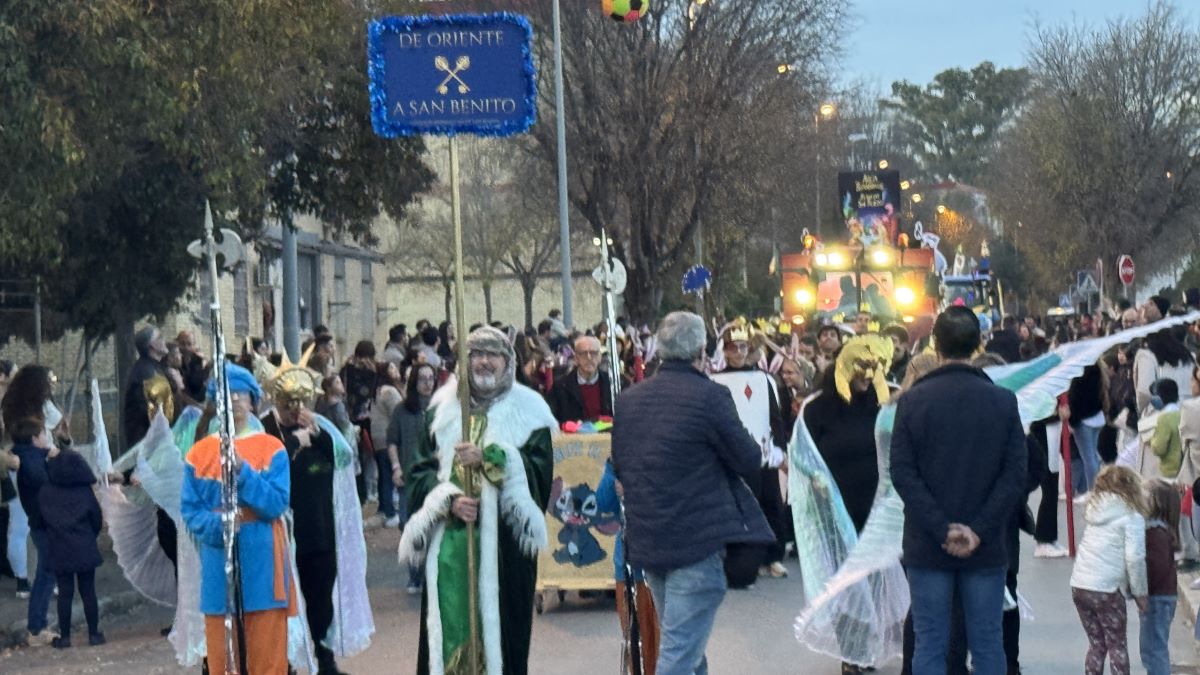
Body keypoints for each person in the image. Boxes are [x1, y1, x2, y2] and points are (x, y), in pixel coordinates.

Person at [612, 312, 773, 675]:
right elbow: (748, 458)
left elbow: (621, 464)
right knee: (679, 655)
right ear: (703, 351)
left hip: (649, 540)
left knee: (685, 646)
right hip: (696, 542)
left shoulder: (630, 400)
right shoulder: (710, 397)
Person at [398, 326, 557, 675]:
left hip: (504, 552)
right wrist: (448, 500)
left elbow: (539, 475)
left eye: (493, 355)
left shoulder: (529, 412)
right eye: (476, 355)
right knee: (447, 637)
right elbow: (419, 472)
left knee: (504, 641)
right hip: (451, 546)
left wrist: (490, 459)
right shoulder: (441, 411)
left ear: (508, 361)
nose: (484, 362)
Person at [890, 306, 1027, 675]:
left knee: (930, 642)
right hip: (985, 548)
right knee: (987, 643)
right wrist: (978, 529)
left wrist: (941, 528)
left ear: (935, 346)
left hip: (927, 543)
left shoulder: (912, 402)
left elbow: (903, 474)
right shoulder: (1002, 401)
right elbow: (1015, 474)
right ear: (977, 343)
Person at [261, 348, 375, 673]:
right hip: (283, 535)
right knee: (286, 601)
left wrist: (318, 435)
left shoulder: (319, 426)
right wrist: (294, 444)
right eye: (288, 403)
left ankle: (324, 658)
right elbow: (264, 468)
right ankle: (289, 660)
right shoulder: (265, 429)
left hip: (321, 531)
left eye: (302, 402)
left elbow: (343, 460)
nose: (296, 409)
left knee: (321, 599)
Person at [181, 380, 293, 674]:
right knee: (224, 662)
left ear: (252, 401)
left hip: (263, 567)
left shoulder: (273, 448)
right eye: (225, 395)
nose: (232, 400)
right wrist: (220, 526)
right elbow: (191, 511)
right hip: (219, 570)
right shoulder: (198, 454)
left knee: (267, 661)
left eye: (239, 394)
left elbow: (276, 503)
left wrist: (244, 472)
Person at [710, 322, 789, 583]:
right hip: (733, 456)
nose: (740, 352)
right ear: (726, 351)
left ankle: (772, 556)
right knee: (739, 506)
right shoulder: (715, 381)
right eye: (734, 347)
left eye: (744, 346)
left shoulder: (765, 379)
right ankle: (739, 558)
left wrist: (780, 449)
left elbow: (775, 416)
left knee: (771, 503)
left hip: (764, 451)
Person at [1069, 465, 1147, 675]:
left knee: (1096, 644)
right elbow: (1135, 558)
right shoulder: (1131, 517)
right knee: (1116, 645)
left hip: (1080, 585)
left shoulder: (1095, 512)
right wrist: (1140, 593)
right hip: (1106, 590)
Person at [39, 447, 105, 649]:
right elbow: (96, 518)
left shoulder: (46, 491)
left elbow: (41, 520)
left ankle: (65, 637)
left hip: (59, 547)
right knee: (88, 592)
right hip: (84, 545)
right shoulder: (84, 491)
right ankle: (93, 634)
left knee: (65, 594)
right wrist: (89, 536)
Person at [388, 362, 437, 594]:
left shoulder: (441, 407)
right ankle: (414, 574)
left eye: (431, 378)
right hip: (409, 477)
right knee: (410, 525)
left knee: (434, 525)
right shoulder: (402, 410)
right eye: (423, 379)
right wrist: (396, 468)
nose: (428, 383)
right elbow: (392, 442)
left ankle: (431, 573)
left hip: (435, 476)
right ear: (414, 382)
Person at [12, 417, 57, 646]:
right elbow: (45, 484)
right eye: (43, 435)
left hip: (41, 521)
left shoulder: (31, 458)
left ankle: (38, 626)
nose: (46, 439)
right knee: (46, 575)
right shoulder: (32, 462)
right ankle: (37, 627)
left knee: (46, 574)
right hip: (44, 523)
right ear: (34, 438)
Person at [1140, 479, 1178, 675]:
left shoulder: (1155, 532)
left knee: (1154, 649)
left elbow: (1156, 567)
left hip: (1157, 598)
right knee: (1152, 648)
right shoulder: (1160, 530)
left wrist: (1140, 591)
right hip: (1161, 596)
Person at [546, 335, 621, 424]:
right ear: (576, 358)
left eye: (593, 353)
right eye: (583, 353)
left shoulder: (613, 384)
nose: (589, 358)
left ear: (600, 357)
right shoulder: (560, 387)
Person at [124, 325, 169, 449]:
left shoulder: (153, 368)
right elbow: (156, 412)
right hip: (149, 446)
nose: (164, 340)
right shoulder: (147, 373)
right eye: (160, 337)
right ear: (152, 345)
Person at [370, 361, 404, 527]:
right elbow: (398, 413)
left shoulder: (377, 391)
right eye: (391, 367)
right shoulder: (389, 391)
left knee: (383, 474)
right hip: (387, 437)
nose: (395, 370)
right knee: (389, 475)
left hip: (377, 438)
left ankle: (384, 508)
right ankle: (390, 512)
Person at [1133, 329, 1194, 414]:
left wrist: (1142, 410)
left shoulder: (1147, 356)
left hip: (1164, 414)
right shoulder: (1188, 355)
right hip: (1192, 410)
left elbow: (1144, 390)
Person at [1149, 379, 1182, 479]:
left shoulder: (1165, 418)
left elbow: (1158, 448)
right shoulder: (1182, 412)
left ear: (1161, 396)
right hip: (1184, 469)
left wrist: (1151, 440)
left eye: (1154, 395)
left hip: (1170, 470)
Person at [175, 330, 210, 406]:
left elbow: (200, 385)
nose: (186, 348)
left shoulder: (200, 362)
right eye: (182, 343)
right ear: (176, 343)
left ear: (194, 346)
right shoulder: (172, 362)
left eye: (189, 344)